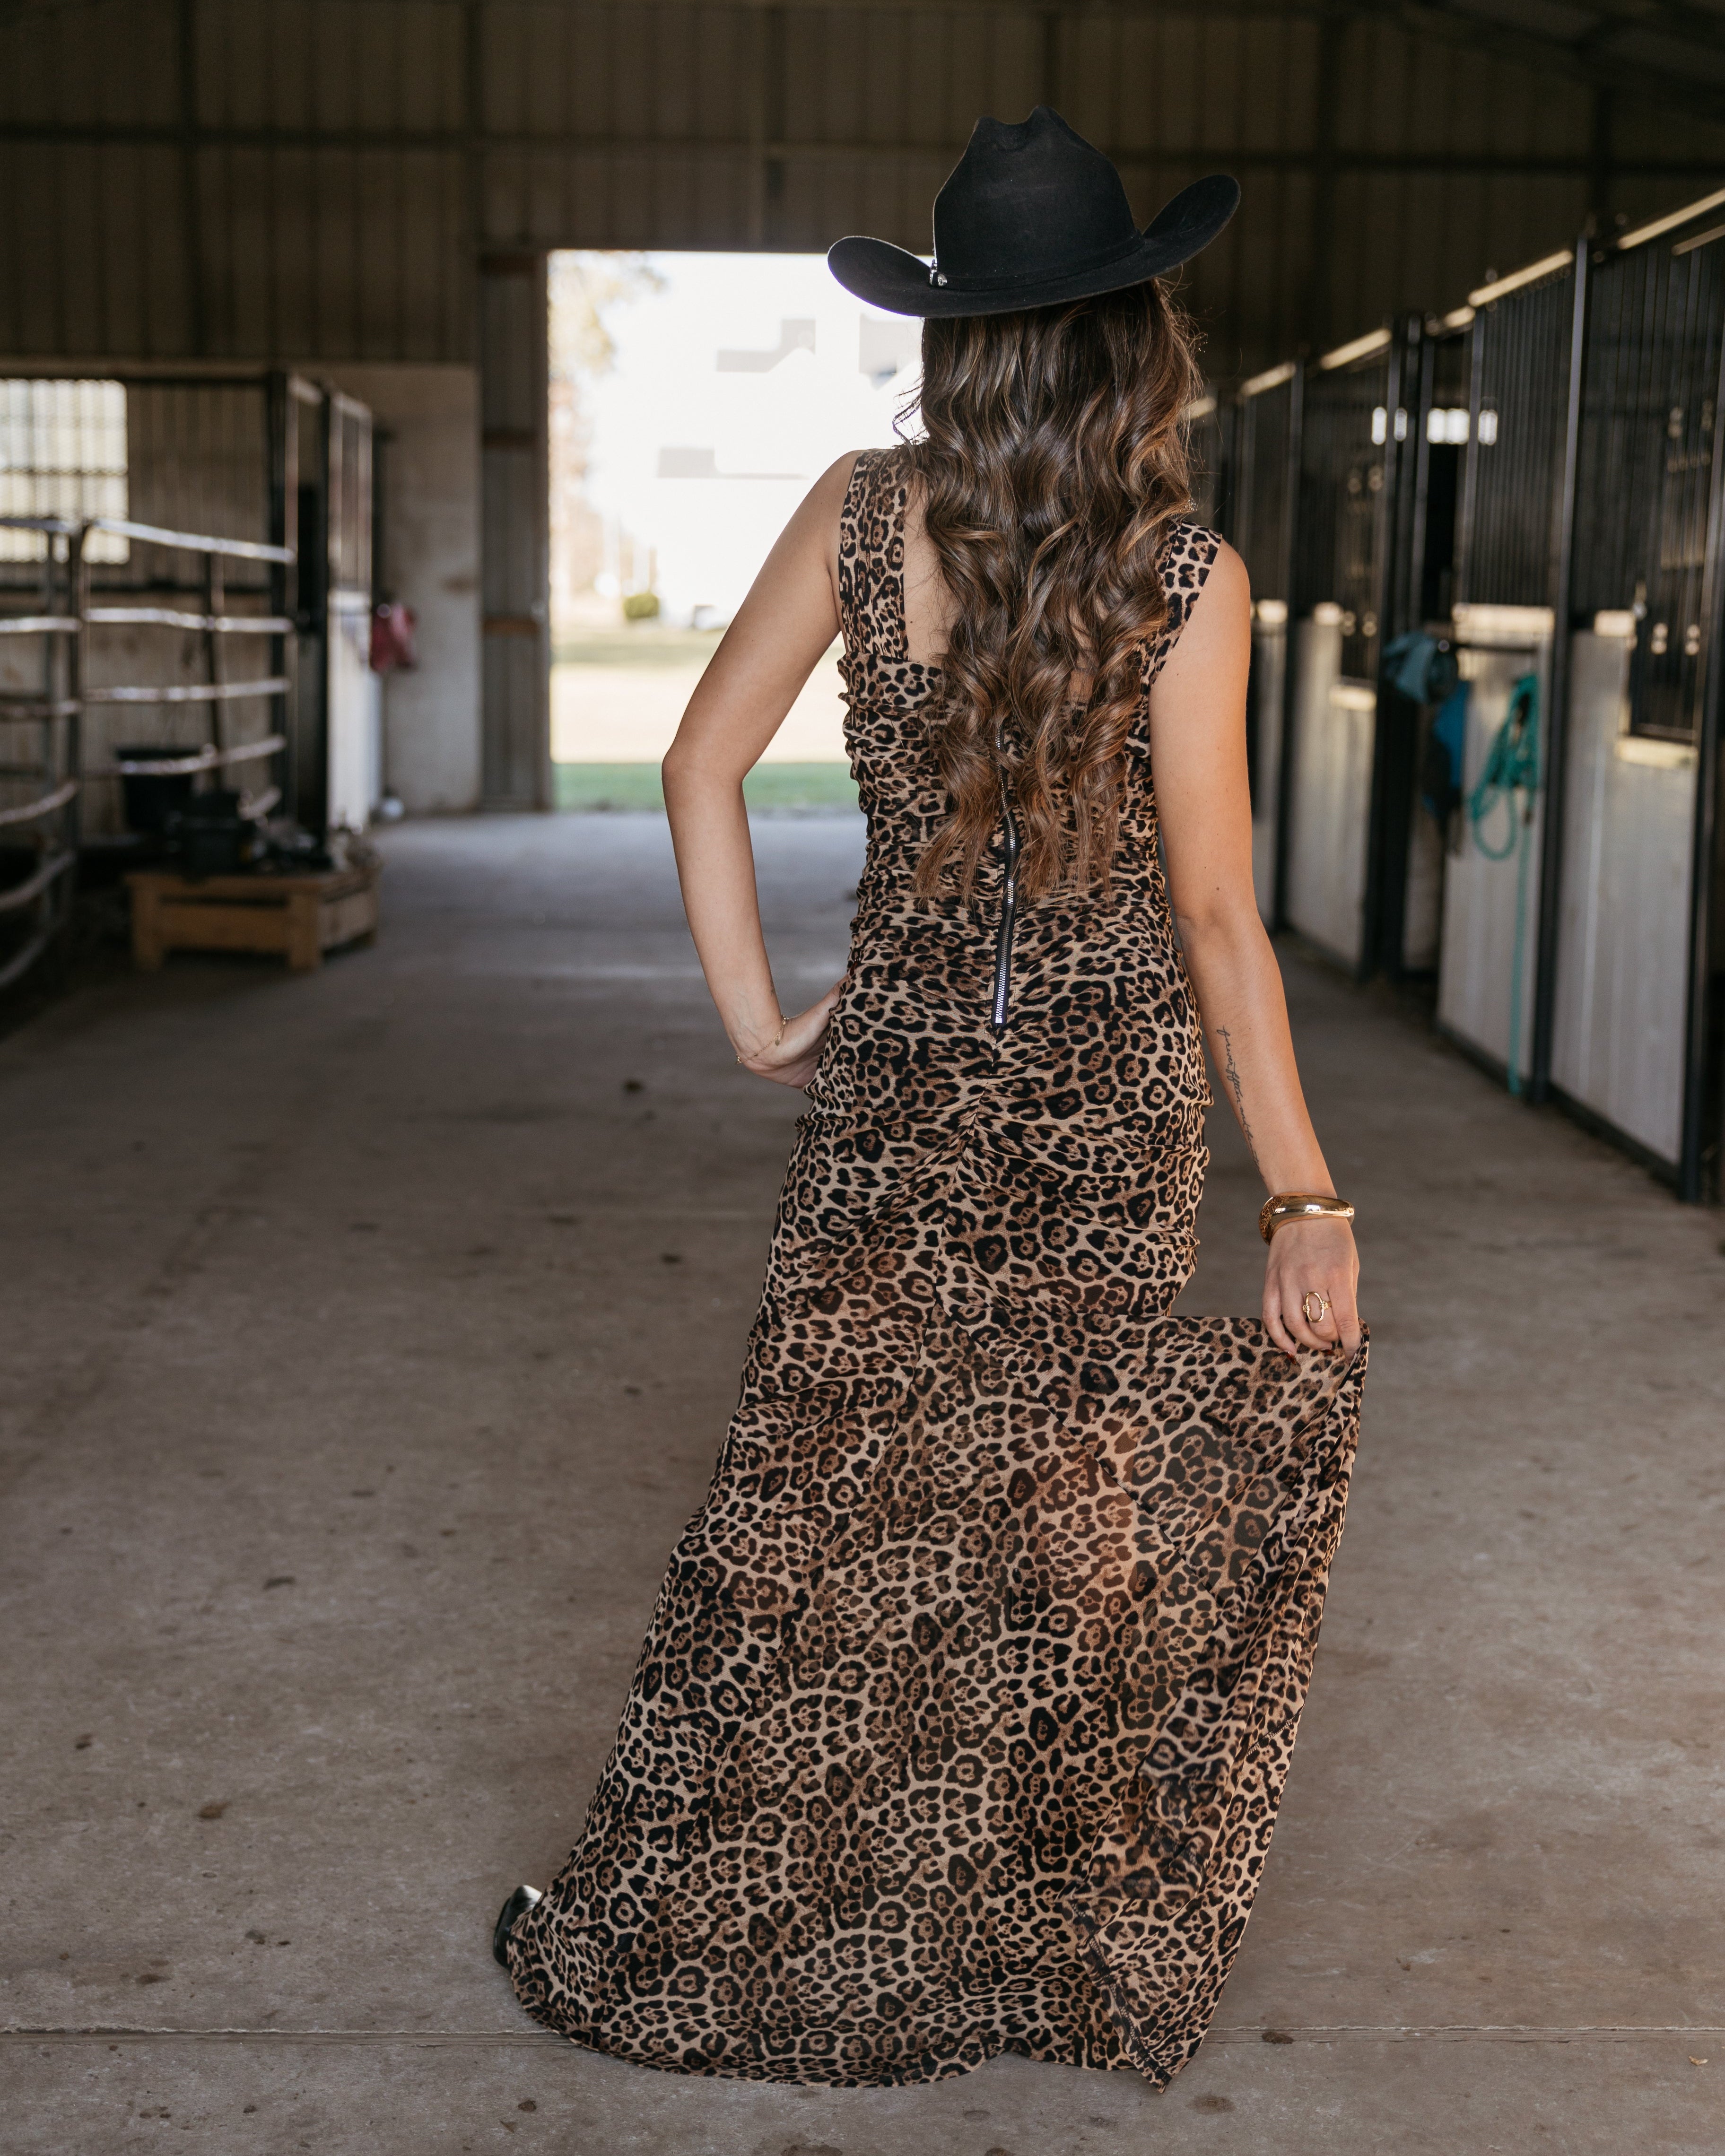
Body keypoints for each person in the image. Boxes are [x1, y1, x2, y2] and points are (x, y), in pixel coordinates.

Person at [496, 106, 1366, 2091]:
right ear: (1135, 330)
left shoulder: (861, 512)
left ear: (960, 333)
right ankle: (1019, 1966)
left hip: (895, 1081)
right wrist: (1304, 1198)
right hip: (1106, 1107)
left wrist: (751, 1016)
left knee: (806, 1512)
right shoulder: (1190, 574)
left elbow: (696, 765)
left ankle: (683, 1936)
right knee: (1069, 1529)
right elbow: (1221, 923)